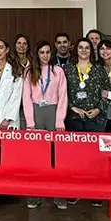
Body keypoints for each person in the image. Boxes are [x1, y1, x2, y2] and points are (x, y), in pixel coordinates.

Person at [23, 41, 68, 210]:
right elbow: (26, 98)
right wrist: (30, 122)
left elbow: (63, 96)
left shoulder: (58, 72)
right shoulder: (29, 72)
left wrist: (59, 120)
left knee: (56, 156)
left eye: (48, 52)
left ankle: (59, 194)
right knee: (35, 157)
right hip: (36, 113)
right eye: (41, 52)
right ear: (37, 53)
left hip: (53, 112)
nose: (45, 55)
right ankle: (34, 195)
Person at [64, 38, 109, 132]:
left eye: (87, 48)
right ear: (76, 49)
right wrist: (72, 106)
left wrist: (99, 109)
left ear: (91, 50)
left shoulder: (99, 69)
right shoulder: (67, 69)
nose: (84, 50)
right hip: (73, 118)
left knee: (94, 147)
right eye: (80, 47)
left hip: (96, 119)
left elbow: (106, 91)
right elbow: (61, 92)